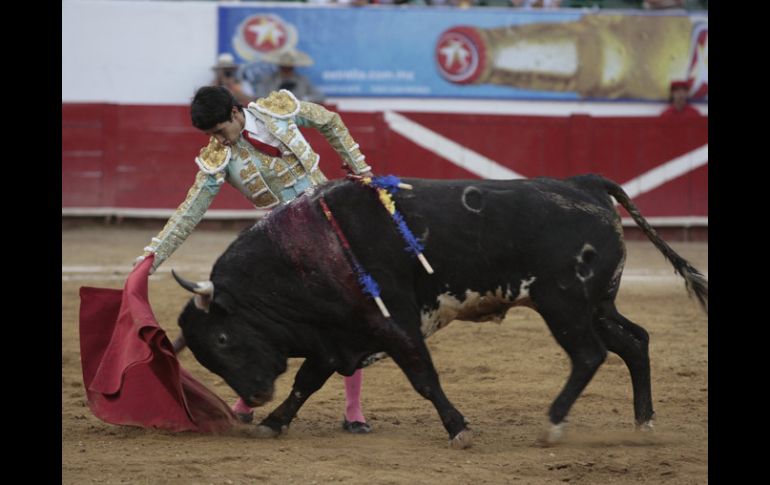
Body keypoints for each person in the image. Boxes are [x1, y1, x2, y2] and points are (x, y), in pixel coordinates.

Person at [136, 86, 373, 433]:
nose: (219, 141)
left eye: (219, 131)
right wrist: (151, 257)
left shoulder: (278, 110)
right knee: (266, 321)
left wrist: (360, 169)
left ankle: (354, 410)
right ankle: (246, 401)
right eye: (211, 135)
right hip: (281, 241)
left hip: (330, 222)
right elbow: (189, 213)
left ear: (234, 112)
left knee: (349, 312)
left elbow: (330, 122)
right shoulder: (219, 159)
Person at [253, 48, 326, 103]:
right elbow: (259, 96)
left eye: (289, 68)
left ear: (293, 67)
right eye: (283, 68)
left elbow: (320, 96)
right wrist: (275, 100)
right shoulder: (269, 79)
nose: (286, 71)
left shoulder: (302, 80)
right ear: (279, 67)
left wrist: (302, 100)